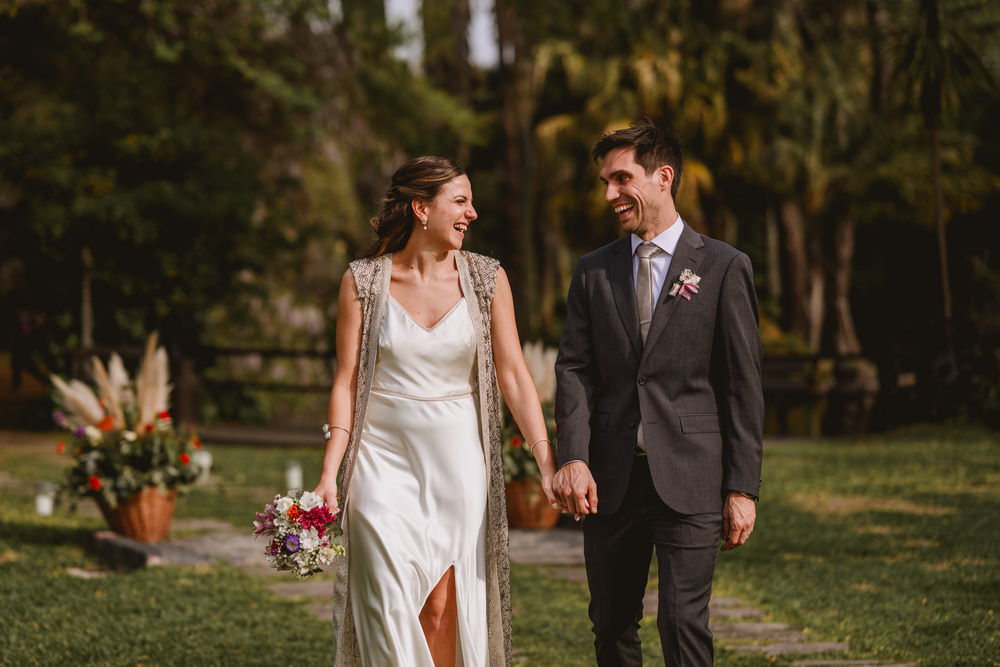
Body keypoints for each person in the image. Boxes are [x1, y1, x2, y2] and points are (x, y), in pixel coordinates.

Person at [313, 156, 557, 667]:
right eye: (461, 201)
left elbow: (513, 374)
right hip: (380, 460)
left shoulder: (487, 279)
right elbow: (346, 383)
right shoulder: (363, 281)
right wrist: (328, 476)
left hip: (458, 463)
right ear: (421, 208)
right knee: (385, 600)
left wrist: (545, 459)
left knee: (443, 609)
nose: (473, 213)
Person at [552, 120, 764, 666]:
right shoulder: (592, 273)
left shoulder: (723, 266)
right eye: (604, 181)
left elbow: (742, 386)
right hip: (611, 479)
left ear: (662, 177)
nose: (609, 195)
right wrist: (574, 456)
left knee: (682, 620)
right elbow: (574, 370)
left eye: (621, 179)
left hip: (693, 476)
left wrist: (742, 487)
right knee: (612, 625)